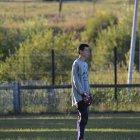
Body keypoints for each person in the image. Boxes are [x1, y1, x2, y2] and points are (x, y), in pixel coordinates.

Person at [71, 44, 92, 140]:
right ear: (81, 51)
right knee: (83, 114)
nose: (88, 52)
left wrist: (89, 93)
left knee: (84, 117)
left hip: (86, 94)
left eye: (88, 50)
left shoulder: (85, 64)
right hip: (79, 95)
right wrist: (82, 93)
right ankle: (80, 136)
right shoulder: (76, 63)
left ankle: (81, 135)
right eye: (86, 50)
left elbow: (86, 80)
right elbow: (75, 80)